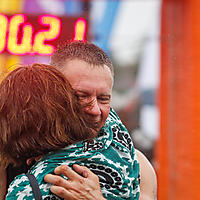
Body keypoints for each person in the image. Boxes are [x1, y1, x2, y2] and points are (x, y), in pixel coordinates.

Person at [2, 40, 157, 199]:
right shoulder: (10, 157)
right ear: (54, 92)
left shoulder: (135, 164)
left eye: (103, 99)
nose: (95, 110)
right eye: (81, 96)